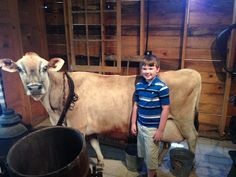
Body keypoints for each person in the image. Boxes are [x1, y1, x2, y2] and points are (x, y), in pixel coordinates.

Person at [131, 54, 170, 177]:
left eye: (150, 68)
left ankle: (151, 174)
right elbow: (136, 105)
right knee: (144, 153)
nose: (147, 71)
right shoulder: (139, 85)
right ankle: (147, 173)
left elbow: (165, 109)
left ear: (157, 69)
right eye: (144, 68)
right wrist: (133, 123)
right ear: (141, 70)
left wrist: (160, 130)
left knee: (152, 157)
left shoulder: (162, 87)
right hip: (140, 125)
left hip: (152, 130)